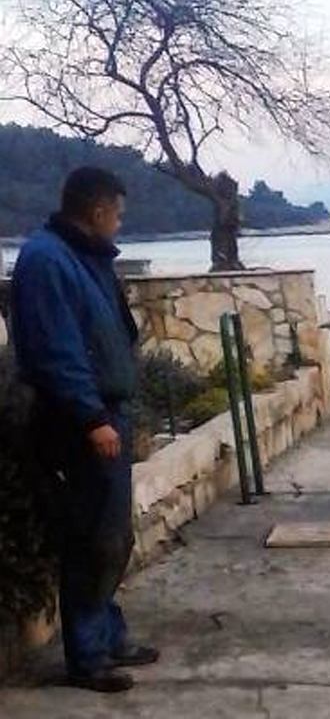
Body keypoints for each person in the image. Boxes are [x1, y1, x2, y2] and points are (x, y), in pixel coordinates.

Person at [9, 167, 158, 693]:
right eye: (117, 215)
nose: (119, 224)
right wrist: (92, 417)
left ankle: (108, 636)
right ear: (97, 211)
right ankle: (88, 657)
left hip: (104, 412)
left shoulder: (83, 256)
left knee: (111, 537)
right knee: (92, 538)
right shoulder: (48, 260)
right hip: (77, 422)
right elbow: (57, 349)